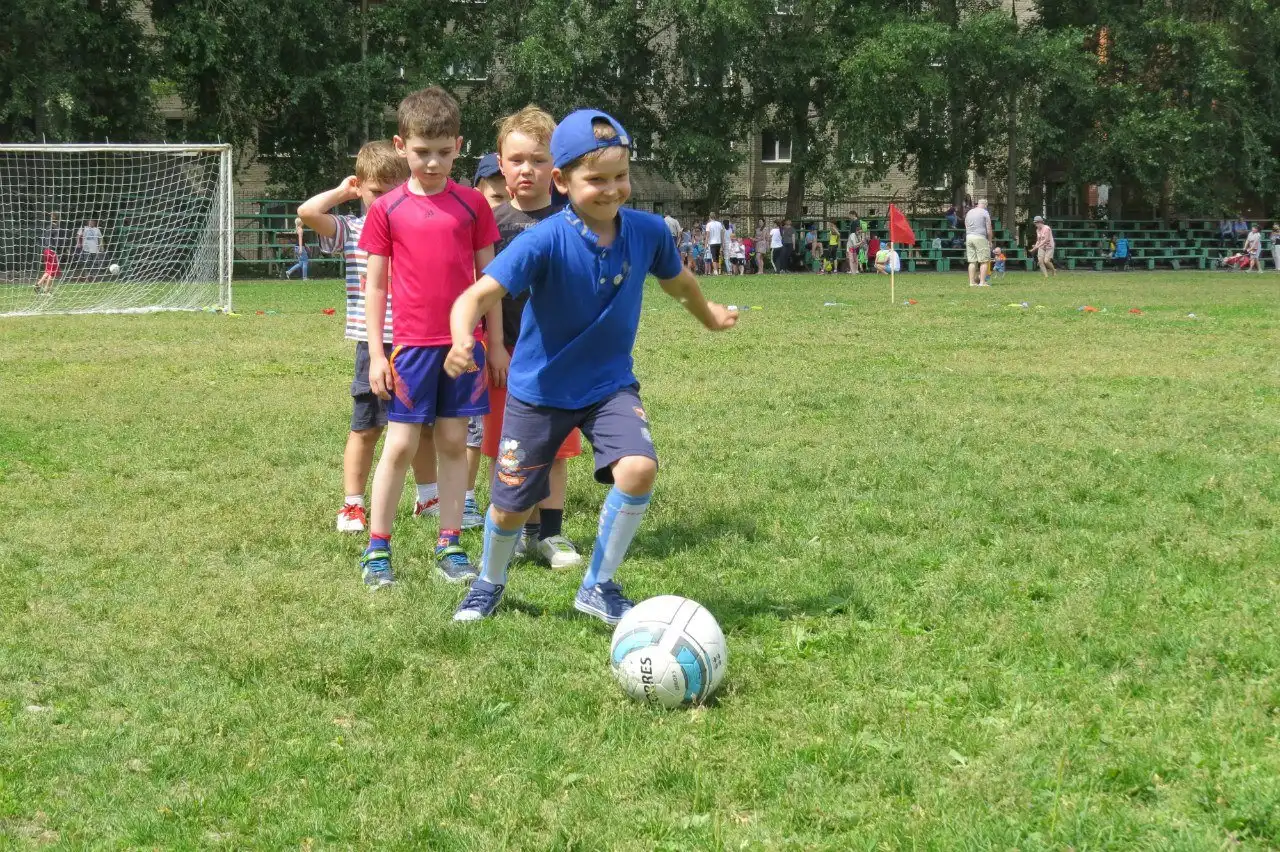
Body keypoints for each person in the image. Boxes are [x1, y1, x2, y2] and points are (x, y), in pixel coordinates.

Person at [445, 108, 737, 623]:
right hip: (539, 391)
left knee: (639, 468)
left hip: (608, 386)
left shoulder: (647, 232)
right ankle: (489, 581)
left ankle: (598, 585)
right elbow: (475, 296)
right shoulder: (542, 239)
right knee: (510, 505)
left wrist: (708, 313)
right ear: (562, 181)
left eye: (620, 176)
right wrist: (461, 339)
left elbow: (679, 283)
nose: (611, 189)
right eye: (596, 179)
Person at [356, 86, 505, 589]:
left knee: (453, 440)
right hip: (412, 348)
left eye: (444, 151)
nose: (434, 162)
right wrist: (378, 353)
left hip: (465, 347)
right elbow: (376, 286)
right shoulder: (387, 209)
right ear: (401, 146)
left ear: (459, 146)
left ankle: (450, 543)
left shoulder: (473, 205)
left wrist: (495, 343)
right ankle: (378, 549)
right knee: (399, 444)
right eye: (423, 152)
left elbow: (490, 283)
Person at [297, 140, 440, 534]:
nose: (386, 200)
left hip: (416, 342)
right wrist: (343, 192)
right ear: (360, 187)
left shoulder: (417, 227)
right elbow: (308, 212)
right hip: (374, 344)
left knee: (421, 427)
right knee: (366, 427)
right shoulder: (351, 229)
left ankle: (428, 496)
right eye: (376, 191)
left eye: (394, 190)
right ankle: (353, 505)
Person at [483, 104, 585, 568]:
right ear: (501, 165)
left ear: (556, 167)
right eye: (517, 159)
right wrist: (495, 347)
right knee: (505, 448)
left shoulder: (575, 219)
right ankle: (512, 531)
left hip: (559, 356)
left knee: (556, 448)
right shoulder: (491, 224)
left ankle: (550, 534)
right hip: (505, 354)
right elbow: (484, 291)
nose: (527, 169)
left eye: (539, 160)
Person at [965, 198, 994, 287]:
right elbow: (989, 229)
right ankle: (982, 282)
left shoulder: (969, 212)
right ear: (985, 205)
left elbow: (966, 224)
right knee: (984, 261)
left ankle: (972, 282)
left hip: (969, 237)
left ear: (978, 204)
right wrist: (990, 241)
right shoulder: (985, 212)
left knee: (972, 261)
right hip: (980, 237)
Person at [36, 213, 63, 294]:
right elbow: (57, 241)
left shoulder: (48, 227)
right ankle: (46, 291)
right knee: (52, 272)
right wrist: (61, 249)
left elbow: (43, 239)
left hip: (46, 250)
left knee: (48, 270)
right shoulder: (56, 228)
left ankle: (38, 285)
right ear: (59, 219)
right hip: (52, 251)